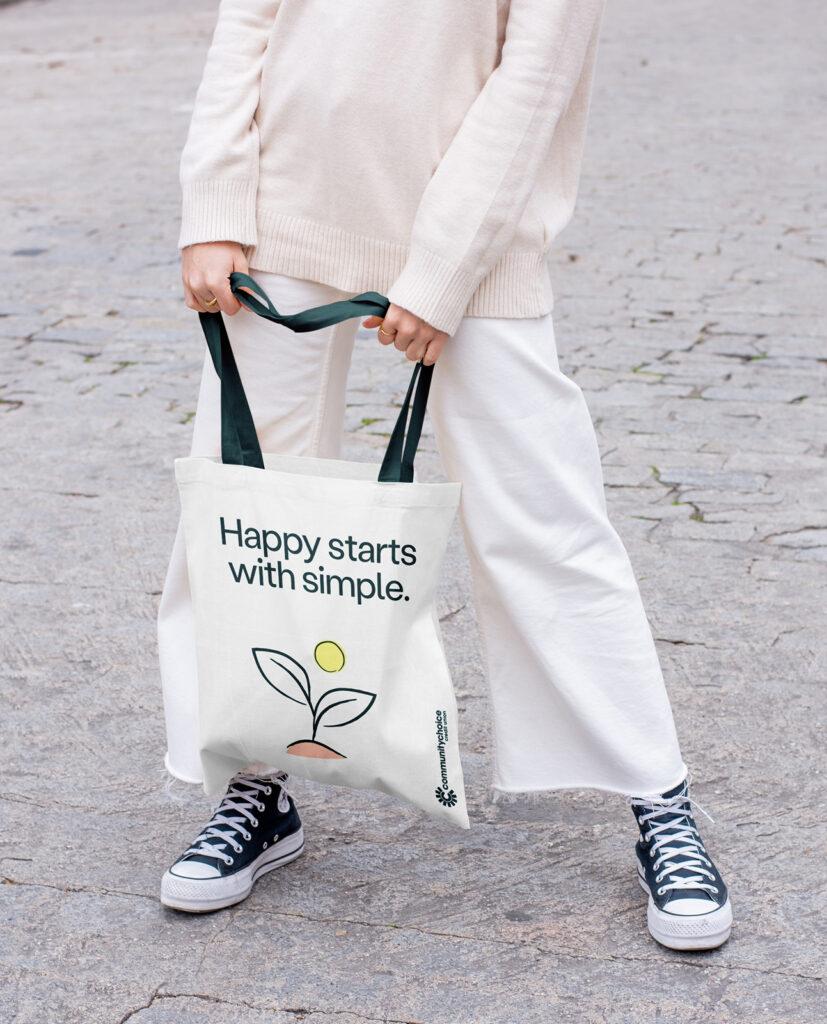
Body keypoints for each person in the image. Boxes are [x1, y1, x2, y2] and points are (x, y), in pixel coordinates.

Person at [156, 0, 733, 950]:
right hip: (282, 212)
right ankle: (256, 787)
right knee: (246, 510)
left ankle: (657, 797)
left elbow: (537, 71)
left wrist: (442, 268)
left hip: (474, 235)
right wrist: (214, 205)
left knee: (543, 515)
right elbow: (249, 20)